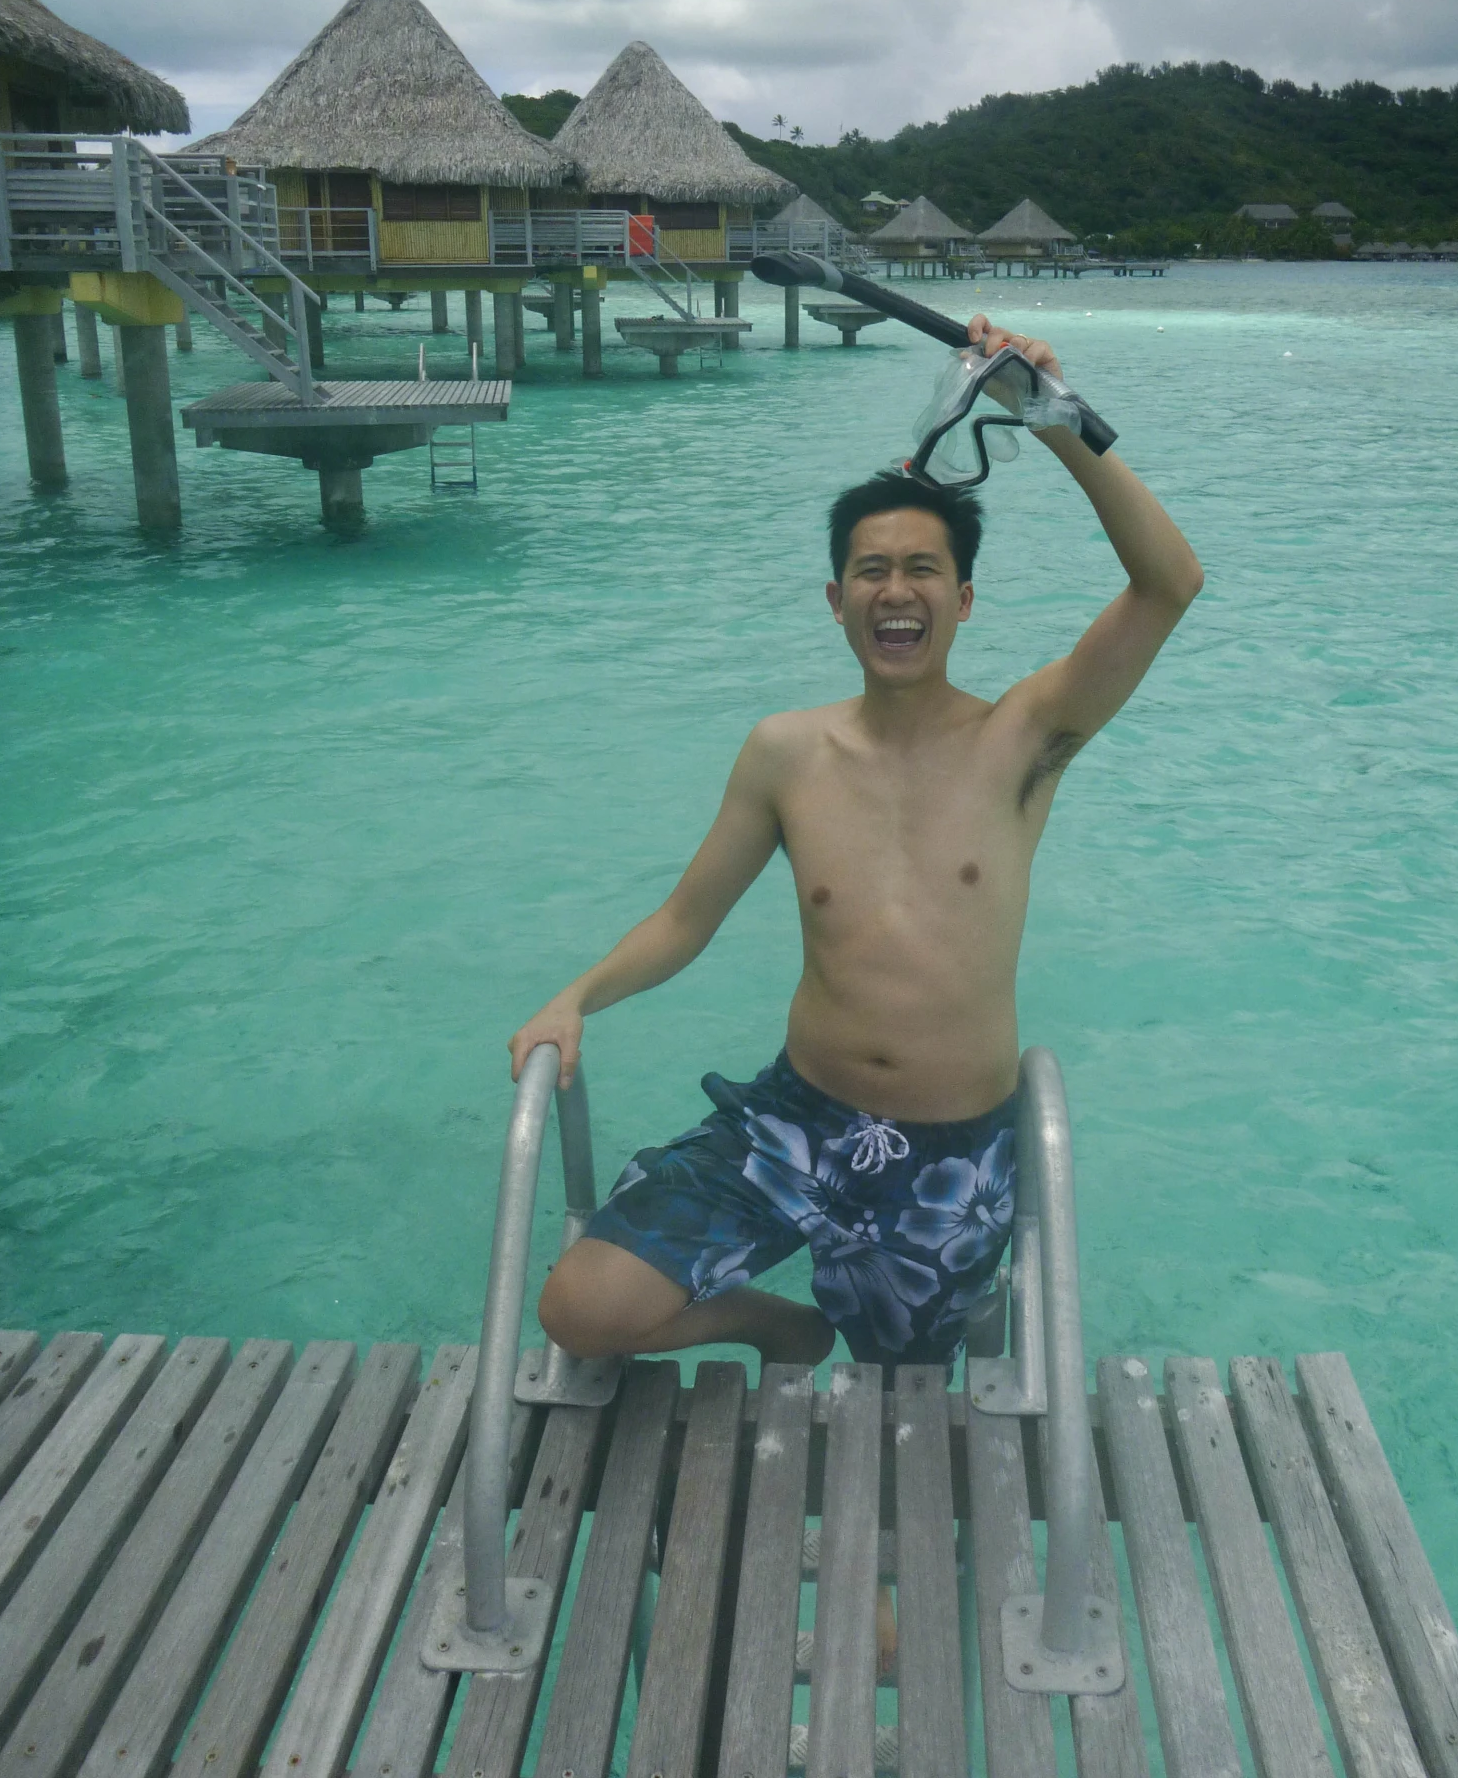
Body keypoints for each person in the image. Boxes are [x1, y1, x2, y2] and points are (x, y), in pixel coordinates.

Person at [511, 312, 1203, 1378]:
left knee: (913, 1397)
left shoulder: (1023, 739)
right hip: (794, 1123)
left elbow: (1170, 583)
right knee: (580, 1304)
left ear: (962, 600)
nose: (896, 589)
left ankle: (935, 1313)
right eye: (871, 569)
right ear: (837, 601)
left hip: (953, 1151)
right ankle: (775, 1325)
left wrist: (1052, 415)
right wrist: (577, 995)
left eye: (922, 568)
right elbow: (687, 917)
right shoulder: (787, 752)